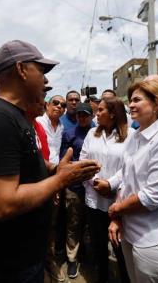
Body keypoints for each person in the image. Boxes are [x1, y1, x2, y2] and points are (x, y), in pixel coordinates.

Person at [0, 40, 100, 282]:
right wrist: (62, 179)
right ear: (21, 70)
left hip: (26, 256)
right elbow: (3, 204)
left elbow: (24, 168)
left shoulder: (18, 118)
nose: (46, 81)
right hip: (8, 266)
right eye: (41, 71)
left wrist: (53, 169)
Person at [108, 79, 158, 283]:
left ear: (157, 103)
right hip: (130, 233)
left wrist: (116, 210)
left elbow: (152, 197)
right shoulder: (135, 137)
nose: (130, 104)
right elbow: (125, 181)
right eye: (130, 100)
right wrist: (117, 219)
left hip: (154, 241)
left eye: (137, 100)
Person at [80, 98, 133, 283]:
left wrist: (110, 184)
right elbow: (83, 160)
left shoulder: (131, 136)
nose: (96, 113)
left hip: (118, 203)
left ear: (112, 114)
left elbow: (130, 167)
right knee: (99, 246)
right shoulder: (91, 134)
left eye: (100, 110)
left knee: (121, 249)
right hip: (94, 200)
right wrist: (97, 182)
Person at [59, 102, 94, 279]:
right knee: (73, 222)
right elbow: (64, 162)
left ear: (91, 116)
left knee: (92, 223)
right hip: (75, 187)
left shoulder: (98, 132)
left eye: (86, 115)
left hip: (95, 187)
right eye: (80, 115)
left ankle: (88, 253)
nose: (82, 118)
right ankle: (72, 258)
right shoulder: (69, 134)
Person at [37, 95, 66, 281]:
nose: (59, 106)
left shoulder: (61, 126)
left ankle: (49, 260)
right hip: (40, 177)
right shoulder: (38, 122)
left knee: (52, 221)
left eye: (62, 105)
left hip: (56, 177)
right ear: (47, 105)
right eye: (55, 102)